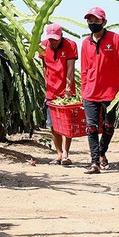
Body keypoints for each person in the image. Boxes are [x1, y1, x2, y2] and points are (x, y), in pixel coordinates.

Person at [80, 7, 119, 174]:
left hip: (110, 92)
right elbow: (84, 68)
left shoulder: (115, 39)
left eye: (96, 20)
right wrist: (83, 89)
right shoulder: (85, 43)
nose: (92, 23)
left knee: (108, 126)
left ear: (104, 22)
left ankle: (101, 153)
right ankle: (95, 163)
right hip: (90, 92)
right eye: (90, 21)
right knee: (91, 127)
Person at [40, 23, 77, 165]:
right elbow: (44, 65)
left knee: (68, 125)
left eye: (55, 39)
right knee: (52, 125)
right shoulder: (43, 45)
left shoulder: (70, 45)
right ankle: (59, 154)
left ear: (61, 36)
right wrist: (46, 82)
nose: (53, 42)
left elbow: (70, 68)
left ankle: (67, 153)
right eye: (50, 39)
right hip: (51, 92)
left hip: (66, 93)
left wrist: (68, 88)